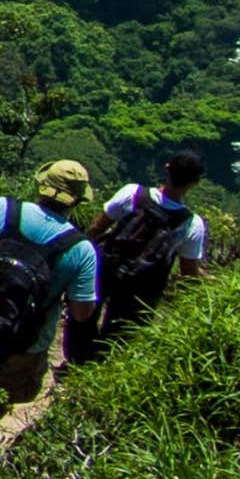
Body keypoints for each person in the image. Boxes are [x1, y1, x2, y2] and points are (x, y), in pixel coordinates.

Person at [0, 162, 101, 406]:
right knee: (1, 399)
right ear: (78, 200)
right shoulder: (81, 249)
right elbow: (81, 313)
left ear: (41, 185)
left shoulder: (1, 208)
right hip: (25, 340)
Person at [66, 152, 210, 368]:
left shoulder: (132, 193)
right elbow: (188, 272)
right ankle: (101, 373)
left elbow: (97, 228)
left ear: (167, 167)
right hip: (144, 285)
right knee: (121, 336)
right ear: (195, 183)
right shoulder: (191, 224)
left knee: (83, 317)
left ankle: (77, 362)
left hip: (106, 266)